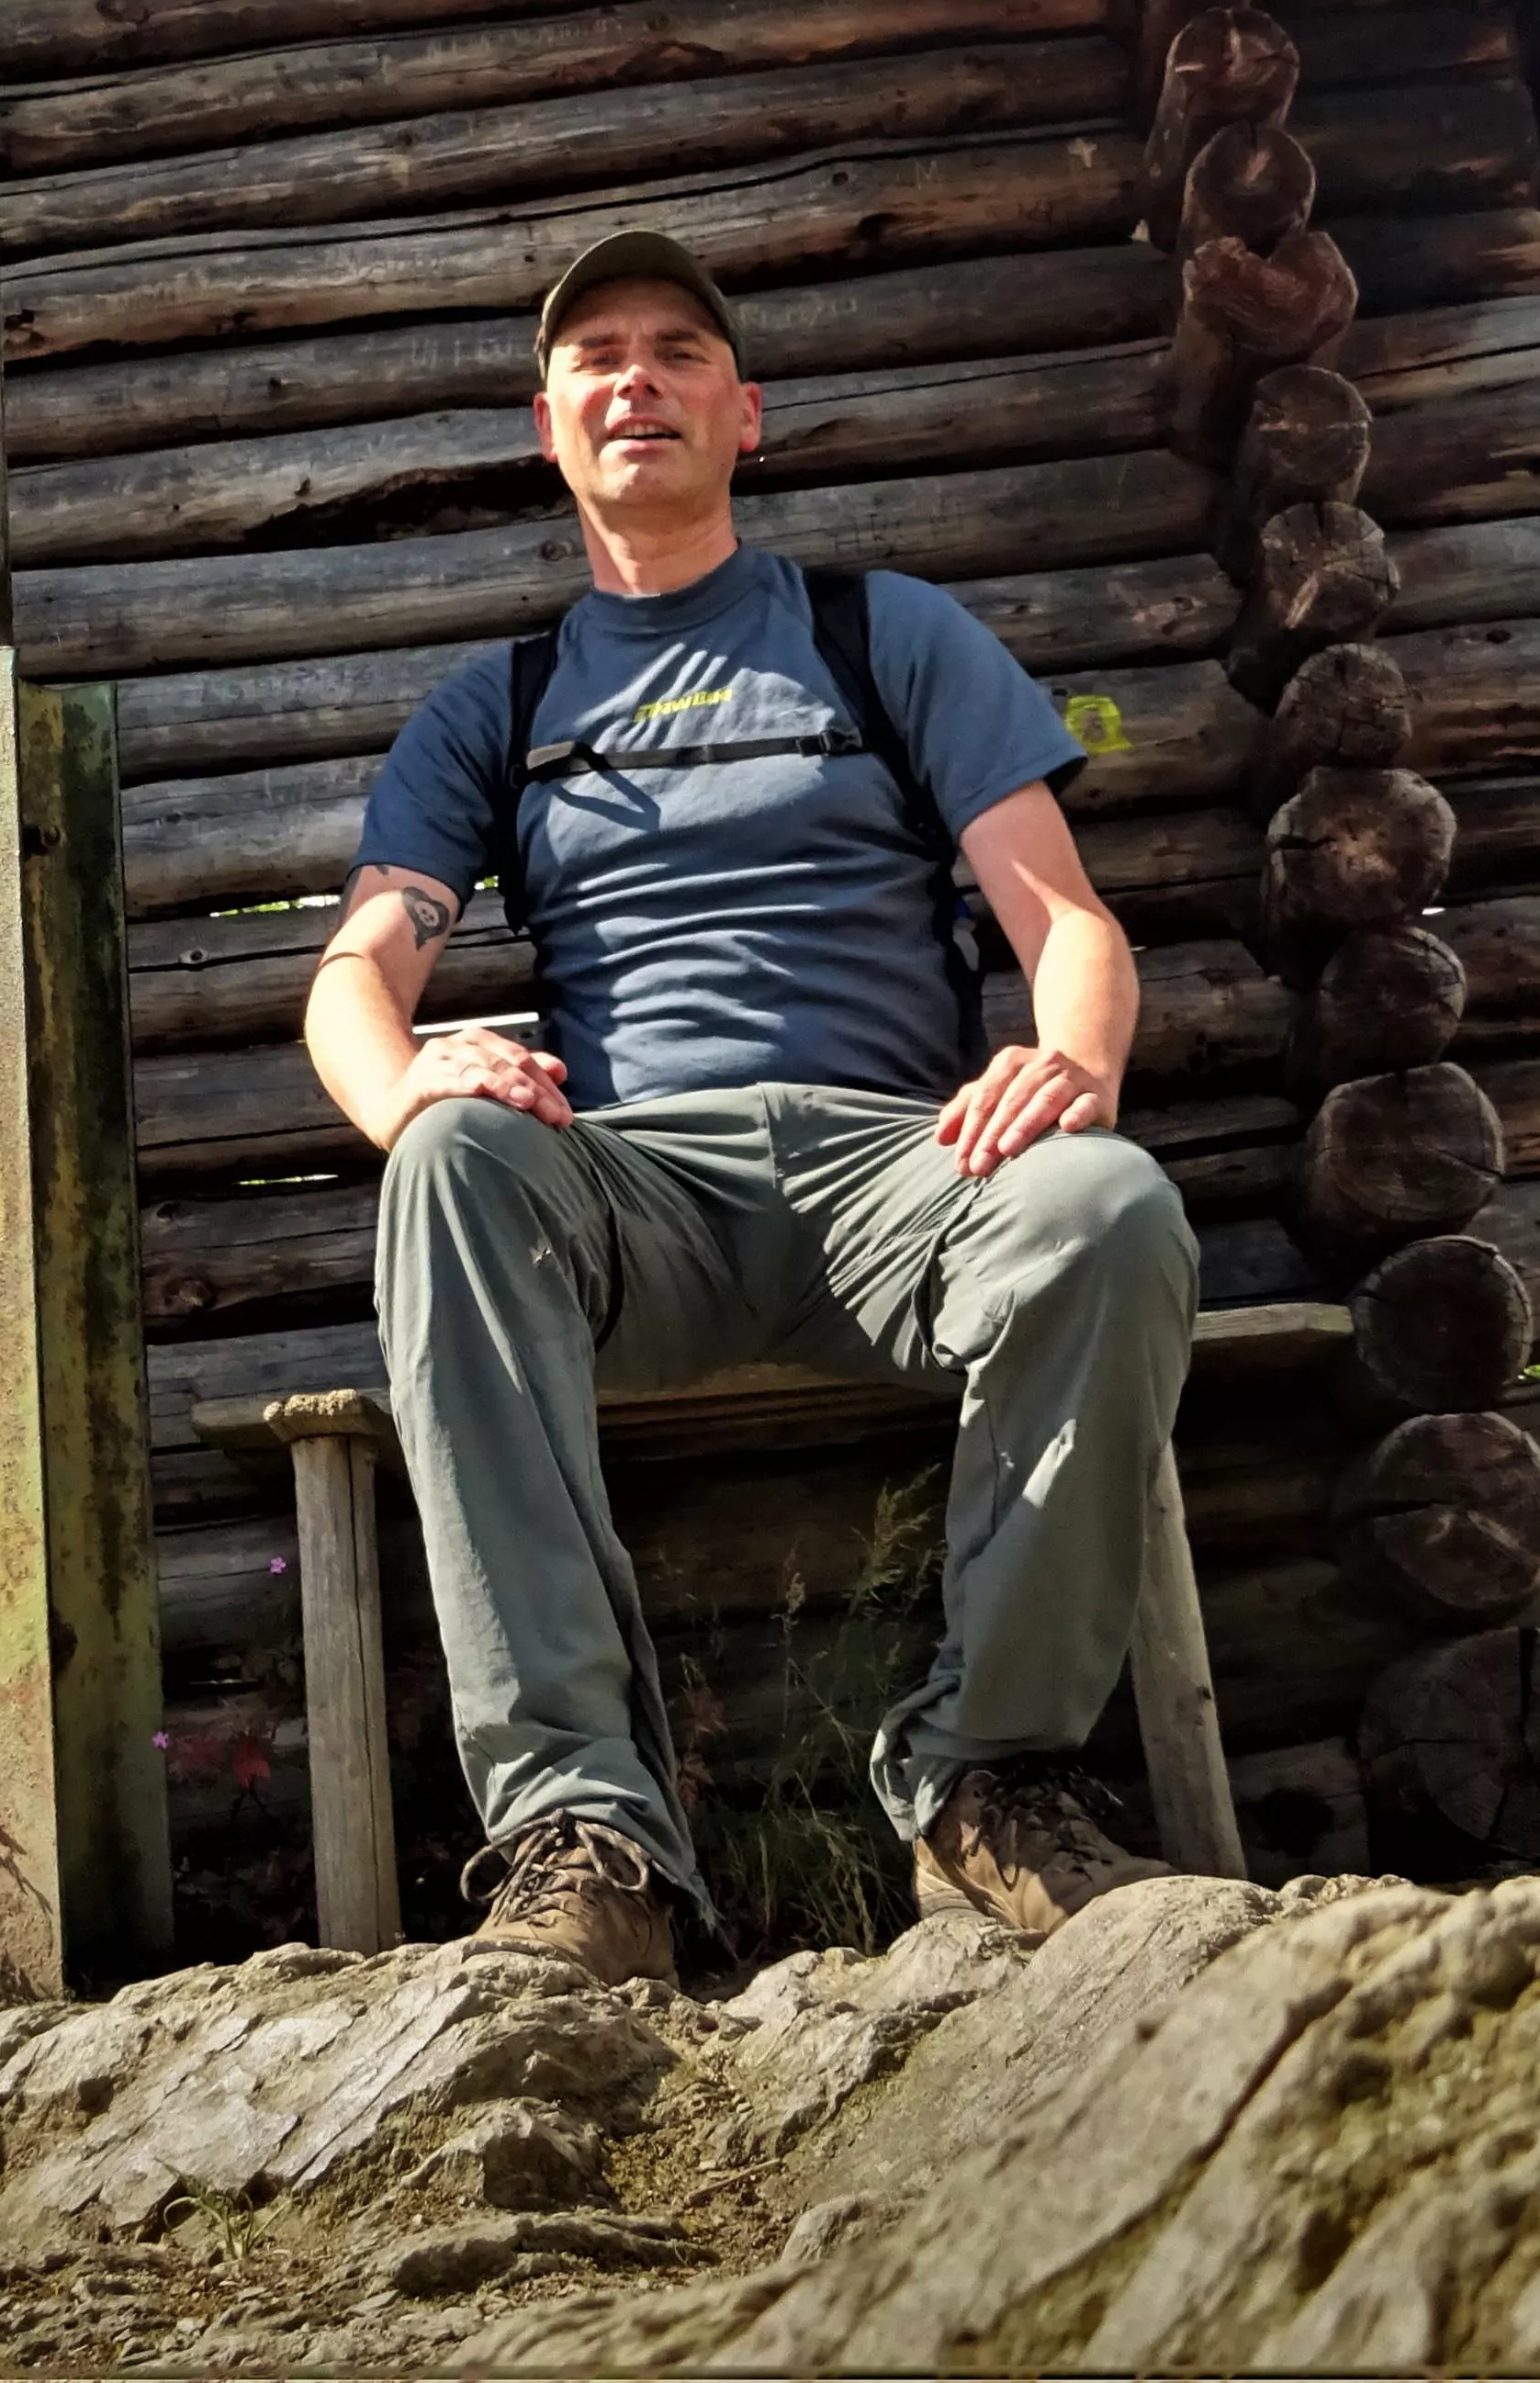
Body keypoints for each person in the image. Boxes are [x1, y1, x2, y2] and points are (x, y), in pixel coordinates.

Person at [302, 229, 1201, 1984]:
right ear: (550, 427)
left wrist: (1073, 1067)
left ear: (746, 412)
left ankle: (984, 1782)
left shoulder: (883, 635)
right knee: (445, 1166)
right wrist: (410, 1079)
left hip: (907, 1165)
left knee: (1113, 1205)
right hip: (636, 1193)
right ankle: (586, 1835)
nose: (637, 377)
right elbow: (356, 974)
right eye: (597, 359)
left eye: (678, 350)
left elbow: (1066, 918)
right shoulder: (497, 705)